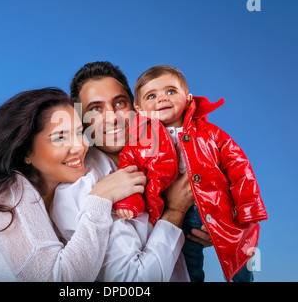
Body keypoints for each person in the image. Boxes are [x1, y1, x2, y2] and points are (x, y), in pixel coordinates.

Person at [0, 88, 144, 282]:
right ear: (26, 152)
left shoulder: (52, 196)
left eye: (80, 132)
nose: (80, 146)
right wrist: (100, 199)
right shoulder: (12, 192)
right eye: (60, 137)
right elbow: (60, 280)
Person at [50, 61, 211, 281]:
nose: (113, 118)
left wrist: (208, 225)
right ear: (81, 121)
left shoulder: (166, 152)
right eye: (95, 109)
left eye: (119, 103)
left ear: (136, 107)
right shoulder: (81, 187)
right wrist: (175, 212)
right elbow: (133, 282)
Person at [113, 65, 268, 282]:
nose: (162, 99)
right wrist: (129, 203)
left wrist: (249, 207)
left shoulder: (210, 133)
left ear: (188, 98)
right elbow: (128, 171)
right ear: (139, 108)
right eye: (151, 95)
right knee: (188, 268)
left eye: (171, 91)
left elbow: (239, 167)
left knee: (241, 253)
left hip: (216, 206)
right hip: (171, 216)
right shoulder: (139, 143)